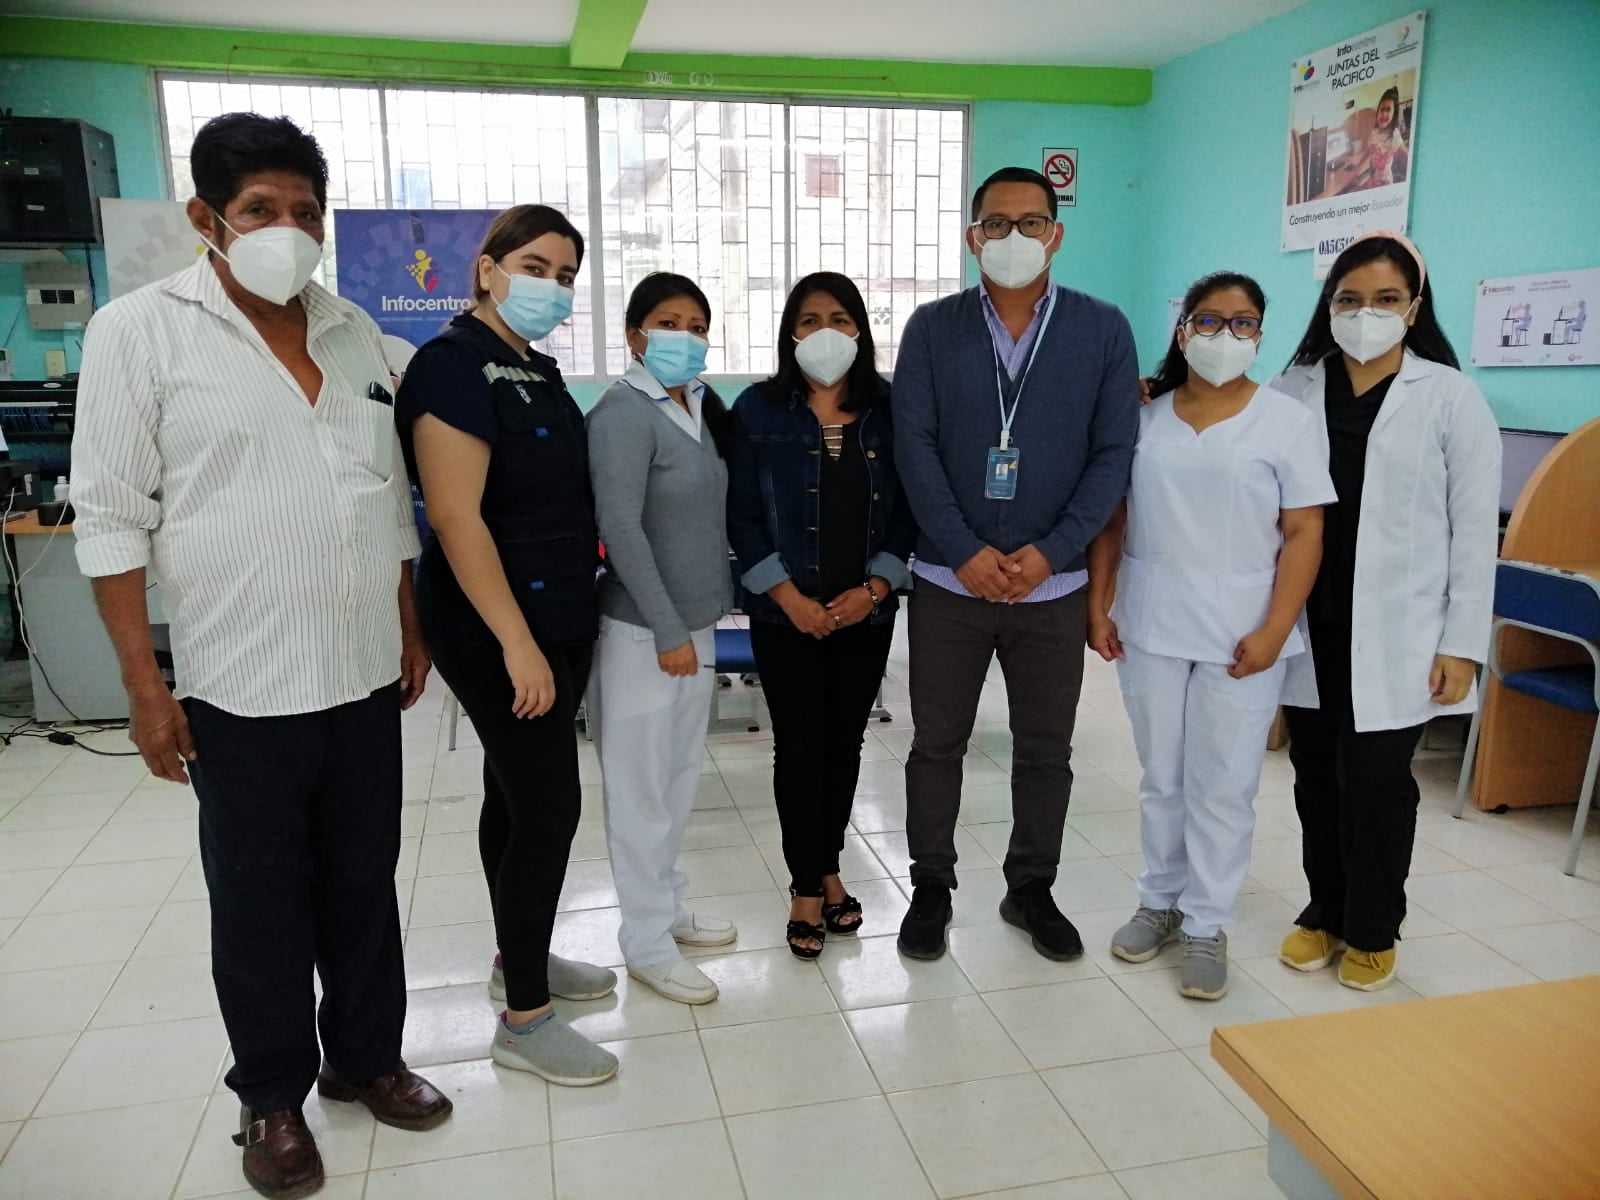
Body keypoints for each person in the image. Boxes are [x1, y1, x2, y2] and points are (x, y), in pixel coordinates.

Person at [70, 113, 450, 1200]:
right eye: (260, 210)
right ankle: (272, 1097)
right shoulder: (139, 332)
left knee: (363, 886)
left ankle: (365, 1059)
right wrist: (144, 687)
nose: (288, 229)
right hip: (239, 684)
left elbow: (384, 501)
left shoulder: (352, 330)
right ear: (207, 218)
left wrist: (408, 626)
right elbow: (110, 519)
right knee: (259, 903)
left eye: (305, 211)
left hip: (361, 671)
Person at [396, 204, 619, 1087]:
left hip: (556, 613)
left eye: (565, 275)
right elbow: (456, 518)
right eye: (534, 267)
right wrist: (517, 644)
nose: (551, 287)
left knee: (513, 794)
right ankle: (524, 1021)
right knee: (550, 808)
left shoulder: (537, 368)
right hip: (494, 623)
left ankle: (515, 957)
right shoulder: (451, 368)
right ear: (487, 269)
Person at [893, 166, 1139, 963]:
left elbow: (1113, 455)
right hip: (949, 583)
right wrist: (964, 550)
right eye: (996, 224)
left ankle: (1031, 887)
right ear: (973, 238)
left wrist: (1053, 551)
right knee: (937, 744)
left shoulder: (1102, 329)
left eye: (1031, 222)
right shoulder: (933, 328)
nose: (1013, 237)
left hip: (1053, 587)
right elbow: (913, 447)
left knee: (1045, 751)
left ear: (1055, 234)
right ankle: (931, 886)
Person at [1086, 272, 1334, 1001]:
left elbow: (1305, 531)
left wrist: (1276, 628)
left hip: (1243, 633)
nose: (1226, 335)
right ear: (1183, 328)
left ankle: (1206, 922)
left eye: (1243, 322)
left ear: (1260, 333)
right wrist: (1099, 607)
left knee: (1223, 784)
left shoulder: (1286, 420)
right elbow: (1113, 518)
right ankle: (1159, 902)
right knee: (1162, 776)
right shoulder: (1144, 417)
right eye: (1210, 320)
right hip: (1152, 621)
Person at [1271, 232, 1499, 992]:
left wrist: (1461, 644)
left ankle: (1372, 925)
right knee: (1314, 776)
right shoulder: (1292, 388)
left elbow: (1474, 532)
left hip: (1403, 630)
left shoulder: (1450, 397)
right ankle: (1323, 911)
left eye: (1386, 299)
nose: (1365, 313)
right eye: (1350, 299)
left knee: (1375, 780)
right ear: (1328, 305)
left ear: (1414, 308)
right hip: (1310, 621)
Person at [727, 272, 917, 958]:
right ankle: (808, 886)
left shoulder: (891, 409)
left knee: (845, 744)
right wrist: (789, 598)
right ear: (790, 333)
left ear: (861, 330)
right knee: (800, 746)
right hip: (786, 616)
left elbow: (909, 511)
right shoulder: (757, 409)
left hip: (866, 613)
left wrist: (875, 588)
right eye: (809, 320)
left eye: (840, 318)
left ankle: (827, 866)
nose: (825, 332)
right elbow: (742, 516)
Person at [587, 272, 736, 1004]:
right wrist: (669, 627)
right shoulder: (621, 413)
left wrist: (697, 624)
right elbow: (620, 528)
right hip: (643, 633)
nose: (686, 337)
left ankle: (667, 905)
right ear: (635, 335)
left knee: (677, 780)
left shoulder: (701, 406)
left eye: (698, 325)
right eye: (669, 322)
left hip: (695, 629)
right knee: (639, 792)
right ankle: (644, 942)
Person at [1366, 87, 1409, 187]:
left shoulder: (1394, 134)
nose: (1384, 114)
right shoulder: (1373, 133)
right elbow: (1371, 156)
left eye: (1388, 110)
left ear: (1394, 114)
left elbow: (1406, 156)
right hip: (1374, 180)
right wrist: (1371, 176)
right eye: (1382, 109)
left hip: (1387, 182)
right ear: (1378, 112)